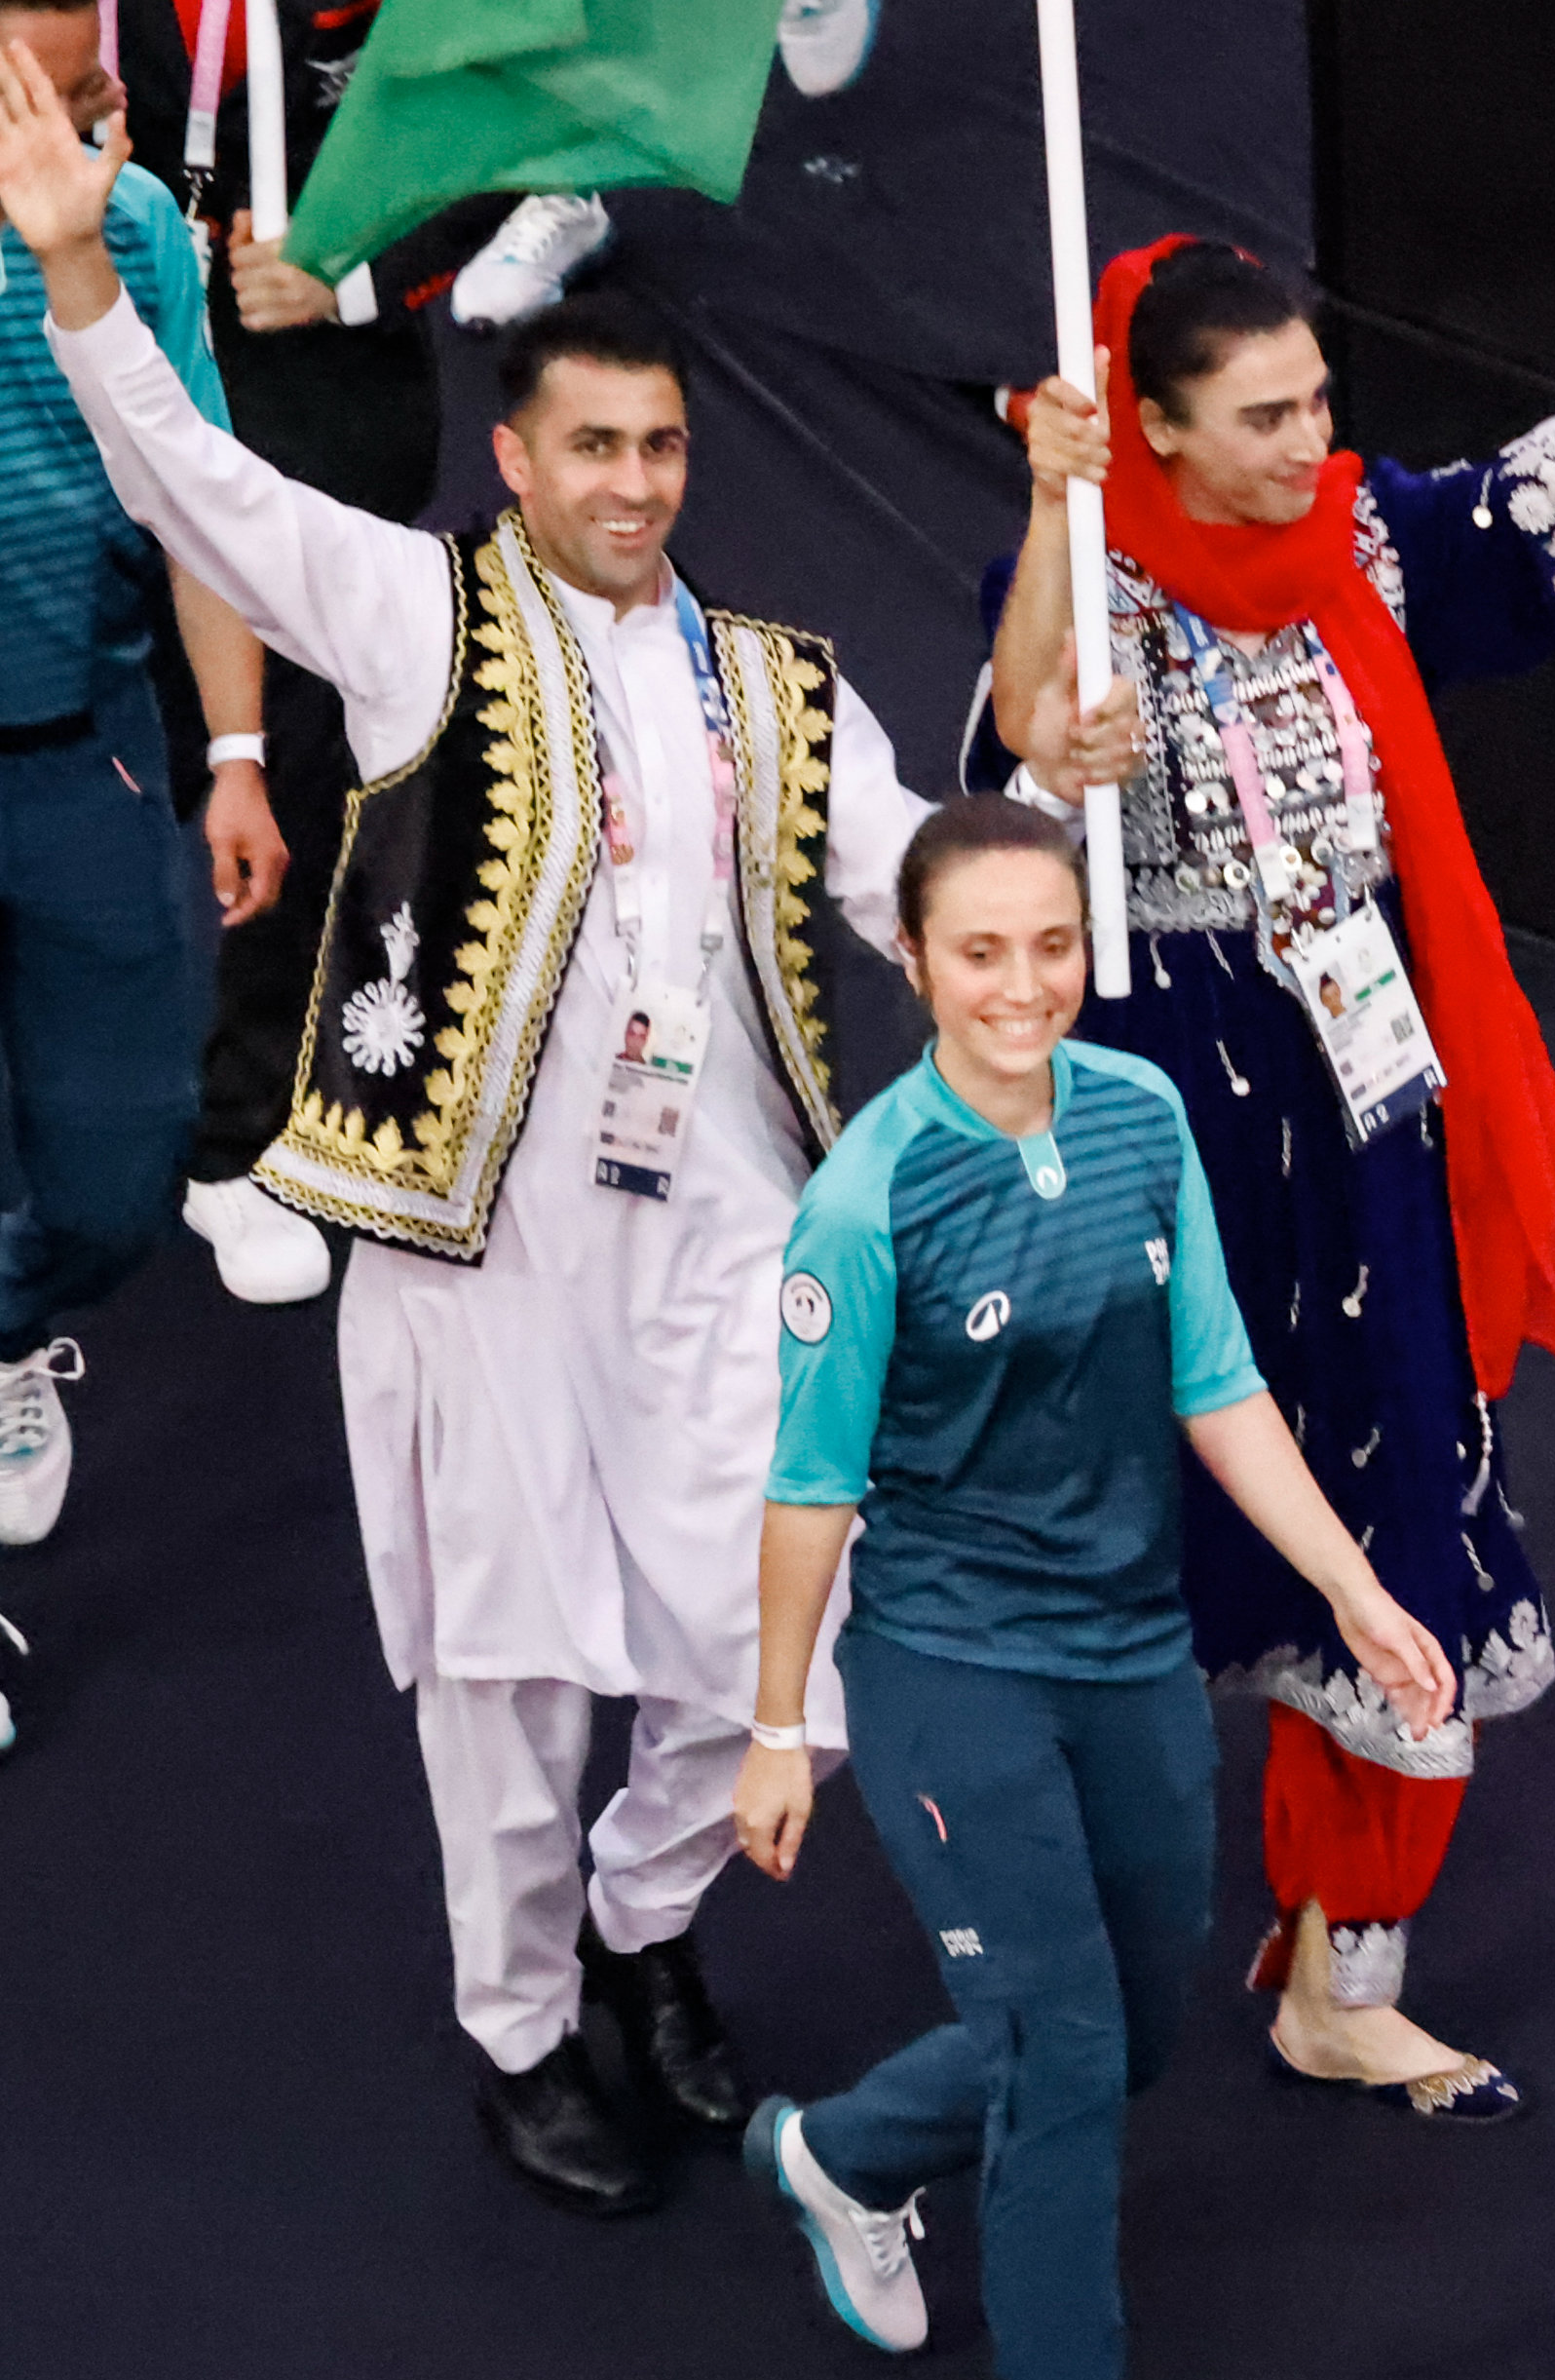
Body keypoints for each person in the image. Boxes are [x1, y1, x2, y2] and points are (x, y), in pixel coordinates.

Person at [11, 48, 1134, 2210]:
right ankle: (521, 2025)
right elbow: (200, 500)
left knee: (750, 1651)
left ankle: (646, 1936)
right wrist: (83, 278)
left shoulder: (782, 685)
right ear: (514, 458)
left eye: (663, 447)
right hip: (477, 1263)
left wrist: (1056, 781)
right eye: (593, 446)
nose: (634, 482)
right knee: (508, 1686)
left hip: (725, 1244)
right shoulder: (419, 614)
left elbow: (923, 866)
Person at [983, 101, 1555, 2120]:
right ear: (1146, 428)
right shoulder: (1076, 562)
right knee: (1116, 1529)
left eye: (1319, 400)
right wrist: (1060, 685)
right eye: (1259, 418)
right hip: (1161, 1114)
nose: (1308, 444)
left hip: (1365, 1093)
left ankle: (1345, 1968)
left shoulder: (1365, 544)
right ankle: (1048, 1949)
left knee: (1401, 1494)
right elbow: (1005, 769)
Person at [729, 799, 1451, 2380]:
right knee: (1059, 2043)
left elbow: (1214, 1375)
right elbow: (812, 1487)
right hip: (950, 1663)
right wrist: (769, 1721)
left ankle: (843, 2153)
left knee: (1129, 2033)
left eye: (1051, 945)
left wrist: (1358, 1588)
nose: (1023, 985)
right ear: (916, 965)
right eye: (981, 952)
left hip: (1130, 1646)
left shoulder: (1140, 1122)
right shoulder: (868, 1199)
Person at [115, 0, 501, 1311]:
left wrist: (356, 274)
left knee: (297, 774)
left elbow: (504, 148)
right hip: (86, 370)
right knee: (110, 747)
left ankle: (249, 1135)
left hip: (316, 402)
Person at [0, 13, 278, 1550]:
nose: (64, 127)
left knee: (118, 1188)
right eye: (24, 97)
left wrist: (235, 757)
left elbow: (199, 506)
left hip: (82, 753)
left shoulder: (143, 231)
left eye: (87, 93)